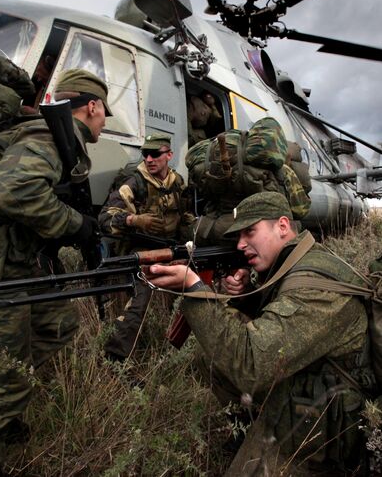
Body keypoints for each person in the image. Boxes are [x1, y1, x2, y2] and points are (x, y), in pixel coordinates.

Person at [0, 68, 111, 476]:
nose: (103, 123)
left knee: (59, 324)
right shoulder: (47, 135)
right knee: (9, 377)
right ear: (93, 106)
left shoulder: (51, 135)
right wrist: (74, 225)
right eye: (104, 114)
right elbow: (12, 190)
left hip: (12, 262)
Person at [147, 192, 375, 475]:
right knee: (213, 362)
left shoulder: (316, 289)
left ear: (282, 226)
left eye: (250, 231)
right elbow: (286, 321)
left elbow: (252, 365)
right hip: (307, 383)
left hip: (326, 425)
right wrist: (247, 297)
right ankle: (248, 429)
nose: (241, 244)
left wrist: (195, 291)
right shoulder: (297, 259)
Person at [98, 133, 193, 361]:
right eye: (145, 154)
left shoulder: (177, 182)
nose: (149, 159)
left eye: (155, 154)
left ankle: (174, 351)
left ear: (169, 155)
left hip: (171, 248)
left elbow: (185, 214)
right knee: (138, 303)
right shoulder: (134, 182)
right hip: (140, 251)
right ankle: (115, 358)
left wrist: (193, 233)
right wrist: (132, 220)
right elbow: (104, 219)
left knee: (190, 294)